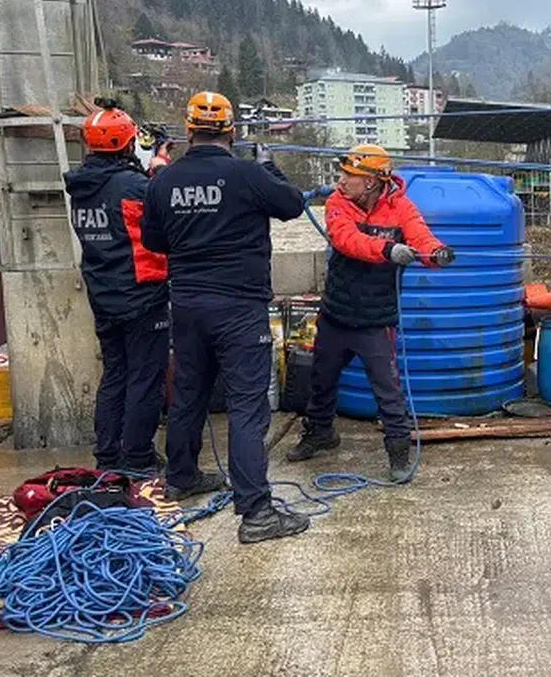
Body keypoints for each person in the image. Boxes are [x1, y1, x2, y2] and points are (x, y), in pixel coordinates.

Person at [142, 91, 310, 544]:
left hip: (189, 306)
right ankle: (256, 511)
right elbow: (293, 204)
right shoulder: (247, 174)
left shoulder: (163, 181)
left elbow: (154, 242)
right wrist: (269, 164)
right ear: (231, 131)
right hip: (238, 307)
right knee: (247, 406)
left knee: (189, 395)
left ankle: (181, 476)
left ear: (188, 129)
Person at [286, 144, 454, 482]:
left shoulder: (402, 208)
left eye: (351, 176)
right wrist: (389, 249)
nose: (342, 181)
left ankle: (398, 454)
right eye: (343, 174)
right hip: (336, 315)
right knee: (321, 381)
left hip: (376, 322)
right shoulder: (337, 204)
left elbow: (420, 235)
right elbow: (346, 240)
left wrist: (436, 253)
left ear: (375, 181)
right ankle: (320, 434)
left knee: (387, 391)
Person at [63, 102, 170, 475]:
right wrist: (158, 167)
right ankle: (138, 458)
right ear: (126, 144)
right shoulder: (134, 186)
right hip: (142, 295)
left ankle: (108, 456)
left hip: (104, 295)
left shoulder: (81, 187)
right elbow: (161, 217)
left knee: (115, 375)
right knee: (145, 379)